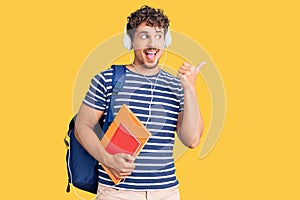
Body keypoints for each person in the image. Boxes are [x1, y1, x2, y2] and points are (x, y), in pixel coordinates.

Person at [75, 5, 204, 200]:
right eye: (144, 36)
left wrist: (190, 89)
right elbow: (82, 126)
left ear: (166, 41)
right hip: (116, 193)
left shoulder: (177, 85)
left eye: (159, 36)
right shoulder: (108, 79)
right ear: (130, 41)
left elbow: (192, 140)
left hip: (165, 192)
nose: (153, 43)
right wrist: (108, 159)